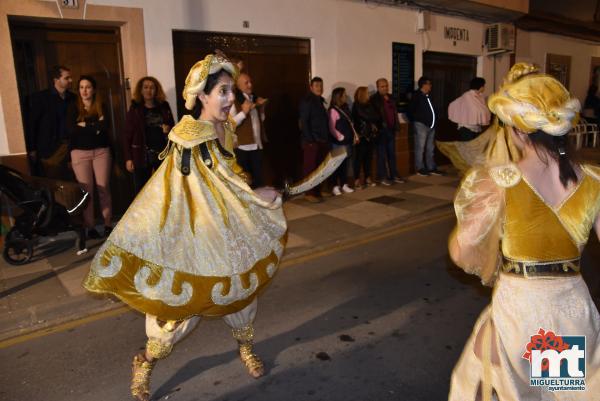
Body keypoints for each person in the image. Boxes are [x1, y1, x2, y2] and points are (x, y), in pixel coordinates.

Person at [83, 54, 287, 401]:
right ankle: (145, 361)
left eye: (231, 91)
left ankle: (245, 348)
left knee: (242, 294)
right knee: (175, 317)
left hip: (229, 228)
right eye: (222, 92)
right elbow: (192, 188)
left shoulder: (227, 128)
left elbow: (230, 175)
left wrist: (254, 197)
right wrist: (252, 193)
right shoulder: (189, 135)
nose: (230, 99)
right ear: (202, 96)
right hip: (194, 236)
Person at [448, 63, 600, 401]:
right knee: (559, 392)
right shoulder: (592, 182)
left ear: (516, 130)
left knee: (509, 392)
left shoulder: (499, 180)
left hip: (519, 310)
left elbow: (462, 251)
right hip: (570, 309)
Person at [67, 75, 113, 239]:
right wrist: (94, 126)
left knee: (103, 188)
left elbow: (105, 126)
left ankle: (107, 225)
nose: (84, 90)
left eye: (87, 87)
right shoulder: (73, 107)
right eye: (81, 87)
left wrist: (84, 125)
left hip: (101, 152)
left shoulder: (102, 106)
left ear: (93, 89)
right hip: (79, 153)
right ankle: (90, 227)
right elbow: (72, 130)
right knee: (87, 192)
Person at [123, 76, 175, 194]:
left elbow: (173, 128)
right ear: (141, 90)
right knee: (142, 191)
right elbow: (127, 135)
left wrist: (168, 129)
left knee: (165, 188)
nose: (148, 90)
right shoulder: (135, 108)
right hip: (141, 155)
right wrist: (128, 158)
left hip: (162, 154)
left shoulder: (164, 106)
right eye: (145, 87)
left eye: (152, 87)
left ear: (156, 90)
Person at [26, 65, 76, 178]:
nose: (71, 80)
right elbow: (32, 124)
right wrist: (32, 148)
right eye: (67, 78)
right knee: (53, 183)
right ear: (56, 80)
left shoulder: (73, 98)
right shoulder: (40, 98)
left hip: (71, 147)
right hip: (49, 149)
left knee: (72, 183)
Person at [230, 72, 268, 188]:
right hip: (242, 148)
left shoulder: (253, 99)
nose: (250, 85)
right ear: (238, 85)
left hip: (257, 145)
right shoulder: (234, 101)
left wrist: (262, 109)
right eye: (246, 83)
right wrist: (244, 112)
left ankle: (258, 204)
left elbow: (260, 120)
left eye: (250, 82)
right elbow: (230, 124)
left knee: (258, 180)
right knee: (245, 183)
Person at [299, 77, 330, 203]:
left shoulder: (320, 100)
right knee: (310, 168)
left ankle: (317, 191)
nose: (319, 88)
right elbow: (304, 122)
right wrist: (310, 140)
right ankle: (309, 193)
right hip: (312, 141)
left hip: (321, 140)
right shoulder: (307, 101)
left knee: (319, 168)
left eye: (321, 86)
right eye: (316, 85)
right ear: (311, 87)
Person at [370, 78, 405, 185]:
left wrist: (396, 126)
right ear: (378, 87)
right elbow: (373, 116)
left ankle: (394, 174)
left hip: (391, 129)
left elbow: (394, 112)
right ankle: (382, 176)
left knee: (392, 154)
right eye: (382, 86)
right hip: (381, 131)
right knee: (381, 155)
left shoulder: (391, 97)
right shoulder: (374, 99)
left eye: (386, 86)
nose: (385, 88)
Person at [409, 76, 443, 176]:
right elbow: (410, 110)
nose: (430, 86)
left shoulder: (428, 96)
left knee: (430, 147)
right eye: (429, 84)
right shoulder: (417, 95)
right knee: (420, 147)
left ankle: (431, 167)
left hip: (431, 126)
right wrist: (416, 120)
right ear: (424, 85)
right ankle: (420, 167)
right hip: (421, 125)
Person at [327, 87, 355, 195]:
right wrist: (340, 137)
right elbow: (331, 127)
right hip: (337, 142)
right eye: (344, 95)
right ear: (338, 97)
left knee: (345, 164)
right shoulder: (333, 110)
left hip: (346, 142)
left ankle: (344, 184)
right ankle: (334, 186)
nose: (346, 96)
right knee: (336, 165)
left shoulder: (345, 107)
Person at [448, 77, 490, 141]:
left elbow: (483, 109)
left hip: (476, 127)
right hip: (466, 127)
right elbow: (453, 105)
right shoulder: (468, 95)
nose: (484, 87)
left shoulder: (480, 96)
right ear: (480, 86)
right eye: (484, 85)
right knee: (467, 147)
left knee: (475, 147)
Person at [352, 86, 379, 188]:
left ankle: (368, 178)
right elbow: (366, 116)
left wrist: (372, 118)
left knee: (368, 158)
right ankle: (356, 180)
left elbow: (377, 116)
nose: (369, 94)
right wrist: (372, 118)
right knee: (359, 158)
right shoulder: (356, 105)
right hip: (361, 135)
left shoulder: (370, 104)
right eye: (367, 93)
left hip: (370, 135)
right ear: (362, 94)